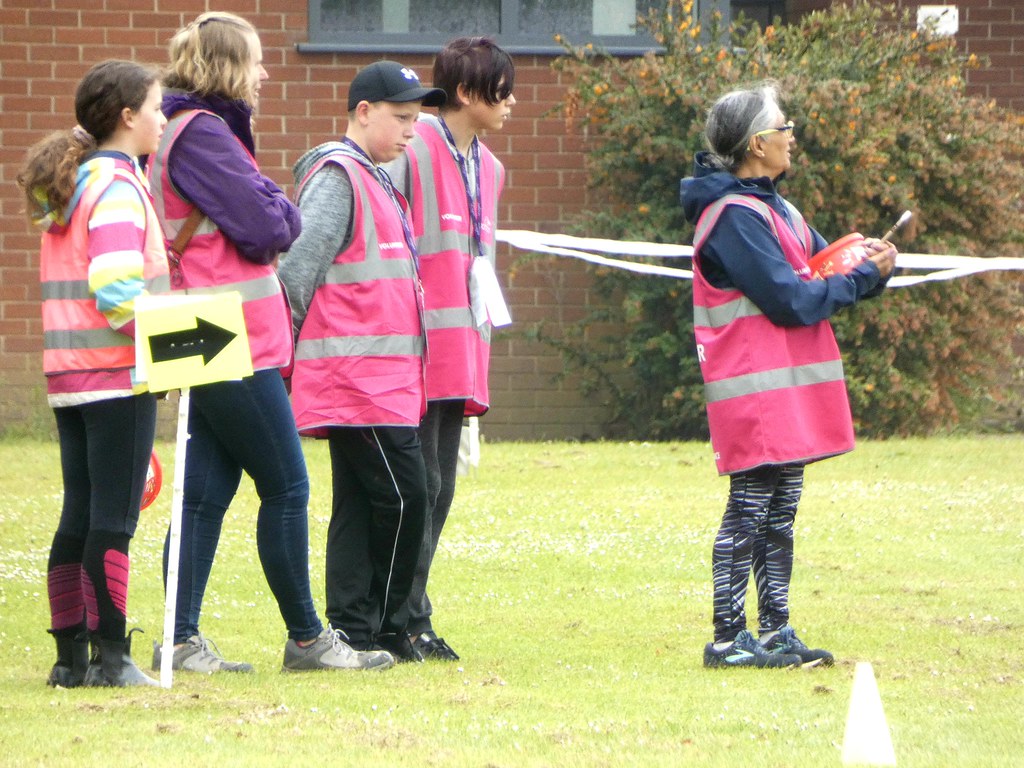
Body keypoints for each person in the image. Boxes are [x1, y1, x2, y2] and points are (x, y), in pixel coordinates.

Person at [147, 12, 393, 673]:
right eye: (254, 61)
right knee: (286, 485)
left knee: (201, 494)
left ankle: (179, 637)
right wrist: (277, 206)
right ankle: (308, 639)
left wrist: (271, 205)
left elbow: (262, 214)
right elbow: (270, 222)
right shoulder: (205, 135)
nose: (264, 72)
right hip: (226, 330)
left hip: (195, 323)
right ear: (226, 67)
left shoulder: (178, 130)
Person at [679, 83, 897, 669]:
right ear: (756, 143)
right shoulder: (733, 217)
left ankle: (774, 630)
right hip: (755, 389)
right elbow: (790, 301)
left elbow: (825, 276)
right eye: (784, 127)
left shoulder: (779, 209)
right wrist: (855, 282)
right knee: (749, 510)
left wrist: (870, 267)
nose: (792, 136)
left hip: (783, 386)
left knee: (780, 512)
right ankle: (728, 640)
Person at [279, 60, 445, 663]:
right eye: (401, 118)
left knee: (360, 502)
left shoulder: (377, 178)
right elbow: (298, 270)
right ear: (363, 113)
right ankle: (387, 628)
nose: (411, 131)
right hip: (355, 379)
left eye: (417, 119)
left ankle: (353, 628)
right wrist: (279, 352)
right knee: (409, 497)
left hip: (379, 380)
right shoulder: (340, 177)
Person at [17, 60, 169, 687]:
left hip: (68, 377)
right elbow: (115, 291)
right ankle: (114, 656)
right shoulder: (117, 189)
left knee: (77, 512)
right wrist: (175, 344)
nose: (164, 120)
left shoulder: (72, 184)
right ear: (128, 117)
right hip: (117, 375)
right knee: (114, 516)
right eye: (158, 109)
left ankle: (68, 659)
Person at [384, 37, 516, 662]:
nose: (511, 101)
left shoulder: (490, 169)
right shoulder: (414, 148)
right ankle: (400, 618)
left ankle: (415, 612)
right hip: (413, 344)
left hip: (463, 346)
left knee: (442, 489)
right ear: (467, 93)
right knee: (420, 484)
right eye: (501, 88)